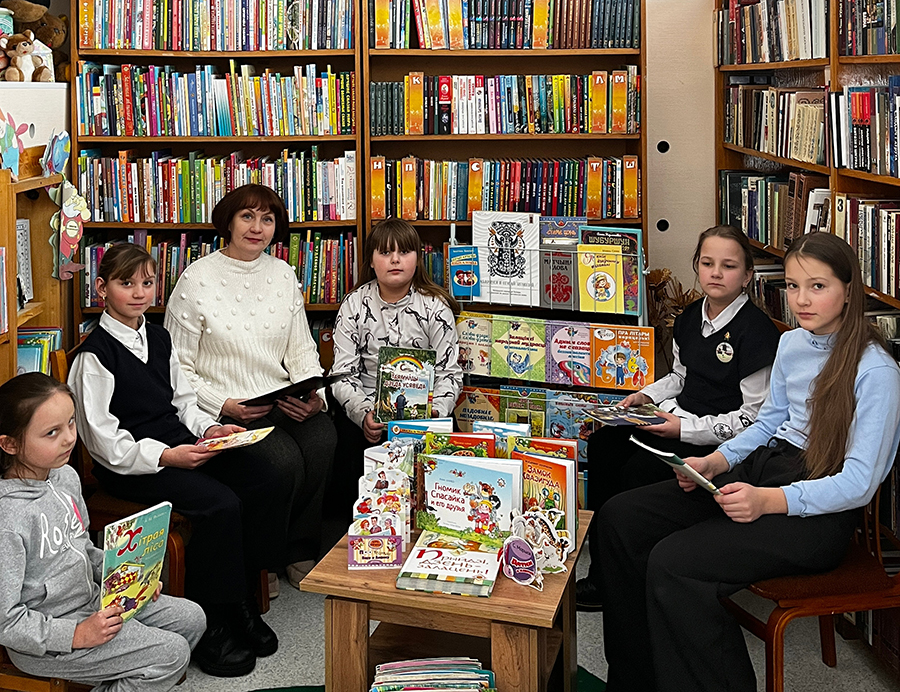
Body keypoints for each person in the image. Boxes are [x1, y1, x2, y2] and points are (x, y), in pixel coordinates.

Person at [597, 232, 900, 692]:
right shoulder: (793, 343)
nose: (801, 300)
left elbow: (858, 483)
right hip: (765, 468)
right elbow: (767, 424)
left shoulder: (876, 370)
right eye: (793, 286)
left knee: (675, 564)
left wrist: (767, 501)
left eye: (817, 286)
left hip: (815, 511)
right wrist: (717, 461)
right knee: (621, 519)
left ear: (849, 289)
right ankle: (635, 681)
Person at [68, 243, 290, 678]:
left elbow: (183, 401)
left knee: (265, 476)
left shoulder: (158, 337)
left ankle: (242, 599)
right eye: (126, 283)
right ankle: (212, 621)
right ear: (102, 288)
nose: (139, 293)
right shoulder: (94, 356)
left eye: (147, 283)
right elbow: (104, 442)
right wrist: (167, 456)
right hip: (133, 465)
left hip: (181, 443)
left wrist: (210, 430)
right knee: (219, 504)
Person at [577, 225, 781, 610]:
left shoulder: (757, 332)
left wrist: (684, 429)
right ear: (697, 266)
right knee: (603, 445)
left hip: (715, 444)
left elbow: (753, 419)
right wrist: (646, 395)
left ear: (747, 276)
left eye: (728, 266)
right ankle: (604, 577)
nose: (716, 273)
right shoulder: (689, 316)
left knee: (636, 472)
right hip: (674, 422)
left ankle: (636, 584)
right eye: (707, 263)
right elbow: (680, 377)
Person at [163, 184, 336, 595]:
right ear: (228, 221)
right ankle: (263, 561)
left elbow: (301, 350)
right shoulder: (196, 279)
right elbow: (176, 367)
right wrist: (224, 405)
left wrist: (315, 399)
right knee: (282, 459)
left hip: (279, 397)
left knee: (323, 438)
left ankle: (299, 548)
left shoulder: (283, 274)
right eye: (247, 216)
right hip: (223, 409)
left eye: (267, 219)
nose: (257, 228)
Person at [0, 373, 206, 692]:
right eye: (52, 432)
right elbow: (6, 621)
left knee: (192, 618)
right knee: (172, 654)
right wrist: (76, 634)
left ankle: (119, 674)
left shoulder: (65, 477)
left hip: (93, 601)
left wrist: (132, 580)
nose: (69, 438)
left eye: (71, 422)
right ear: (9, 444)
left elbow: (83, 549)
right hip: (48, 641)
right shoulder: (8, 519)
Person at [330, 218, 463, 509]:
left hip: (427, 411)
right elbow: (342, 374)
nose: (395, 259)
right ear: (371, 260)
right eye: (385, 252)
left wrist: (436, 413)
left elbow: (450, 373)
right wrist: (363, 413)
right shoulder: (353, 304)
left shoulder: (435, 306)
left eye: (404, 252)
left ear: (417, 258)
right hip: (369, 411)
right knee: (349, 445)